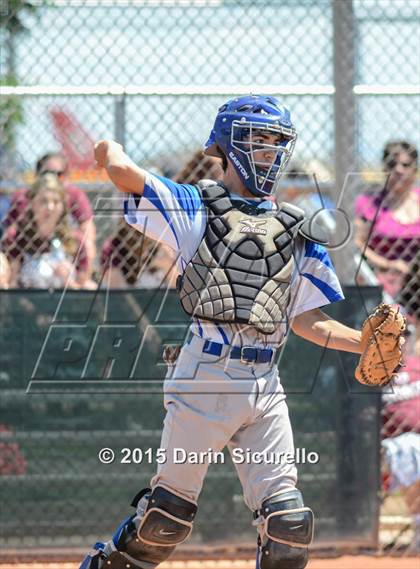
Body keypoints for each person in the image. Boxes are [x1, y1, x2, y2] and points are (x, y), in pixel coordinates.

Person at [81, 95, 369, 569]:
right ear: (229, 146)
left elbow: (307, 320)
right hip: (204, 378)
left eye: (277, 142)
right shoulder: (199, 206)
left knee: (289, 526)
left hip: (265, 385)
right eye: (259, 142)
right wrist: (108, 148)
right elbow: (124, 173)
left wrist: (362, 343)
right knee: (165, 521)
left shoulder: (298, 230)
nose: (270, 153)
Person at [2, 152, 97, 284]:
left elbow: (88, 231)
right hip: (28, 277)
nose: (50, 207)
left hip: (64, 249)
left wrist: (70, 280)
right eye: (46, 173)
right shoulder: (21, 200)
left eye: (58, 174)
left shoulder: (74, 196)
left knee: (89, 285)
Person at [354, 141, 420, 300]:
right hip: (381, 279)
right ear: (384, 168)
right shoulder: (369, 203)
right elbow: (357, 243)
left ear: (415, 169)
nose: (398, 170)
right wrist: (388, 264)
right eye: (392, 164)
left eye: (405, 165)